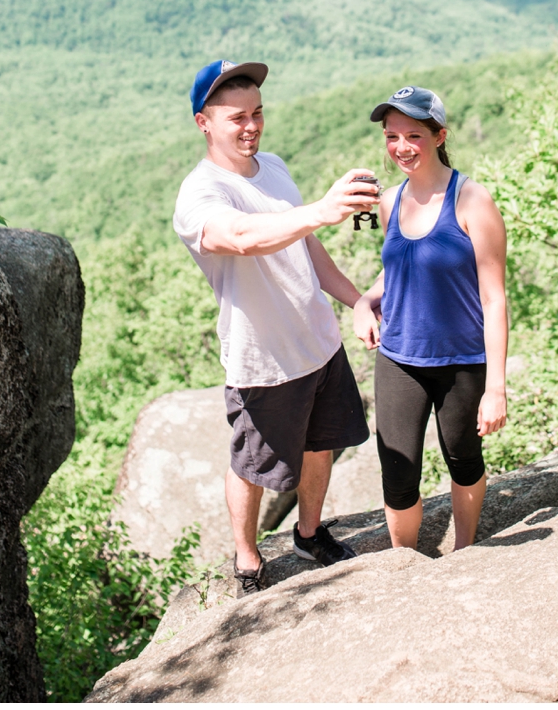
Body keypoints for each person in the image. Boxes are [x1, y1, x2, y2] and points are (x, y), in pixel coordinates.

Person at [172, 60, 380, 596]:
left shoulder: (275, 166)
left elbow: (308, 249)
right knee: (253, 466)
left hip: (319, 343)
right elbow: (239, 237)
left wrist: (356, 300)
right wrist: (321, 209)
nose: (252, 126)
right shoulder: (200, 195)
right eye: (237, 117)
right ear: (204, 122)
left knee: (321, 445)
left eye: (258, 113)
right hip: (262, 360)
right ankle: (247, 558)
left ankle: (310, 533)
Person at [351, 86, 509, 553]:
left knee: (464, 459)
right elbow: (398, 268)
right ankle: (404, 569)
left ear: (440, 136)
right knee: (398, 475)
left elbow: (494, 298)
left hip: (462, 360)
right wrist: (365, 301)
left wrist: (496, 387)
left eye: (413, 135)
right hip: (399, 357)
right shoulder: (389, 202)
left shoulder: (472, 201)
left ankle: (463, 552)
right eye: (391, 135)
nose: (401, 147)